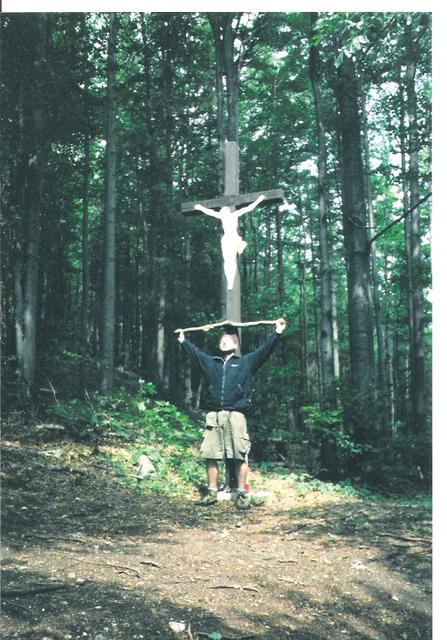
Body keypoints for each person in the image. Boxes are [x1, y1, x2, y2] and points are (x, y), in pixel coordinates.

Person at [178, 317, 286, 510]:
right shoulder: (211, 363)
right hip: (214, 415)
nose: (223, 342)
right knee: (210, 455)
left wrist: (277, 333)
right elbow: (195, 354)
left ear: (236, 344)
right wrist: (183, 341)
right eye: (221, 340)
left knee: (239, 455)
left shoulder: (246, 363)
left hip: (236, 415)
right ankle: (211, 492)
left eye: (227, 340)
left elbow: (265, 351)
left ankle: (242, 494)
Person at [194, 194, 266, 290]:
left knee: (236, 251)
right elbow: (210, 212)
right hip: (226, 240)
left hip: (234, 238)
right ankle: (230, 281)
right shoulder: (221, 216)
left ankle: (240, 246)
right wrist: (200, 208)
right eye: (221, 211)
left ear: (228, 211)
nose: (222, 212)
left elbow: (248, 208)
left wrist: (259, 200)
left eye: (224, 211)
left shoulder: (234, 214)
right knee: (228, 261)